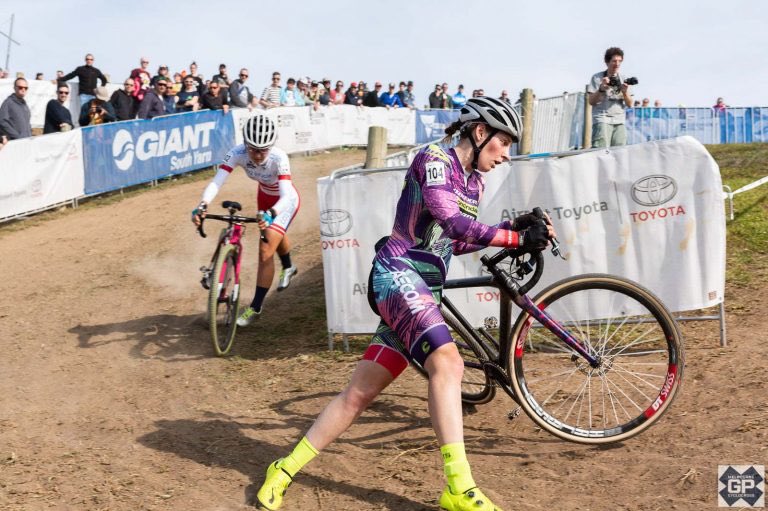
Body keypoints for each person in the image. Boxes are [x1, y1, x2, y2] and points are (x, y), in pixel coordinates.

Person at [253, 97, 554, 511]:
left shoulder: (474, 183)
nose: (506, 155)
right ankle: (459, 488)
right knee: (448, 363)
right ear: (480, 132)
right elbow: (453, 222)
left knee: (358, 395)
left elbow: (453, 240)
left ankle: (283, 468)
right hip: (397, 273)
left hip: (422, 289)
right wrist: (515, 238)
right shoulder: (435, 160)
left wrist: (510, 228)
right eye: (503, 143)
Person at [191, 114, 300, 327]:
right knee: (274, 236)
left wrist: (272, 213)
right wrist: (203, 204)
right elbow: (217, 181)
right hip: (264, 196)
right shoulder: (237, 153)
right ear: (245, 144)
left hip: (284, 202)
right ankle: (289, 266)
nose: (258, 155)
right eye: (253, 149)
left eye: (263, 150)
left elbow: (286, 195)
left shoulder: (279, 157)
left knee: (266, 248)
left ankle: (256, 307)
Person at [587, 46, 634, 148]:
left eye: (620, 61)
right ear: (607, 62)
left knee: (620, 153)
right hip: (602, 119)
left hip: (619, 121)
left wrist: (625, 92)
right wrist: (601, 89)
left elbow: (630, 104)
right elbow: (591, 101)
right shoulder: (597, 78)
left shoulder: (624, 79)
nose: (617, 64)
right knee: (601, 151)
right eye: (614, 61)